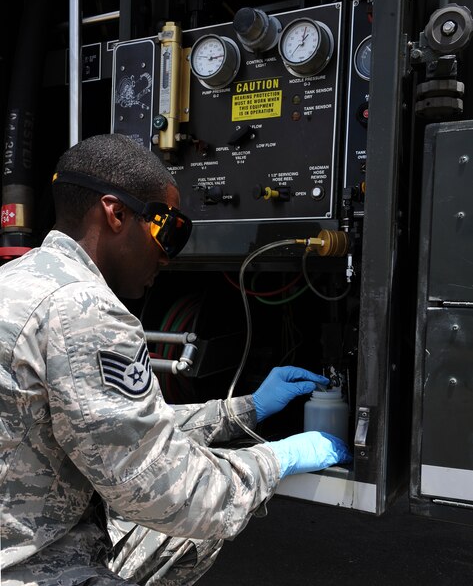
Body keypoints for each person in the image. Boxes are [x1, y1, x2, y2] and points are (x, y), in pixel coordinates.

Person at [0, 133, 352, 585]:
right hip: (31, 571)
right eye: (168, 230)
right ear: (116, 213)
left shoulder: (19, 278)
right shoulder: (86, 311)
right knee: (194, 525)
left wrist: (245, 409)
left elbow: (119, 427)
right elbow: (179, 494)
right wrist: (277, 460)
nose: (167, 256)